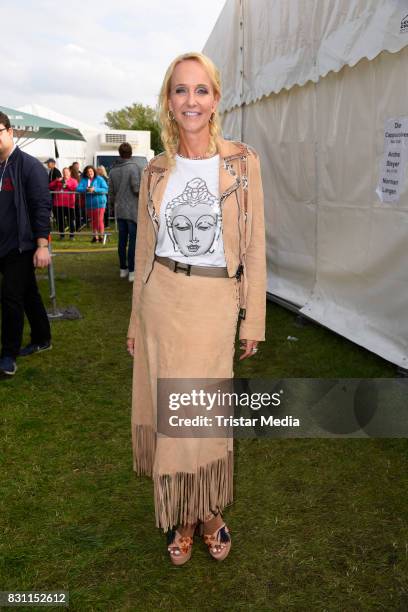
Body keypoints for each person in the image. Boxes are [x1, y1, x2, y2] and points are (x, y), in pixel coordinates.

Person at [126, 52, 266, 564]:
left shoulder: (241, 162)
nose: (191, 100)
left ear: (216, 98)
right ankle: (185, 517)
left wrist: (254, 317)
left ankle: (207, 509)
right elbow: (144, 251)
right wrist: (135, 319)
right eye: (181, 90)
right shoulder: (156, 170)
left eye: (201, 90)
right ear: (169, 100)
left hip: (213, 304)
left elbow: (253, 247)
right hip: (161, 300)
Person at [0, 111, 52, 376]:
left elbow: (41, 207)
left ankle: (8, 356)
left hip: (20, 246)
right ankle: (43, 337)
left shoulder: (29, 166)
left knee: (10, 297)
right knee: (27, 292)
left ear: (10, 132)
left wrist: (42, 245)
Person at [108, 143, 140, 282]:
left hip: (120, 210)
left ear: (119, 153)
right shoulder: (134, 167)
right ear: (131, 153)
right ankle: (132, 271)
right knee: (133, 241)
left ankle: (123, 269)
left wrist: (111, 206)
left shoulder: (112, 170)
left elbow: (111, 193)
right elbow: (136, 188)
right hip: (132, 210)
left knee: (122, 241)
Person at [76, 165, 108, 243]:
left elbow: (105, 188)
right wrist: (85, 189)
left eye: (91, 171)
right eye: (88, 172)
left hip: (100, 203)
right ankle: (95, 237)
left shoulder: (99, 179)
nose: (90, 173)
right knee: (93, 221)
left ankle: (102, 236)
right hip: (89, 204)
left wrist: (95, 189)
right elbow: (78, 188)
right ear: (86, 173)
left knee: (99, 220)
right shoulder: (84, 180)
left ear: (94, 171)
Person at [49, 167, 78, 240]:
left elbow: (75, 188)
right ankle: (62, 235)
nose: (65, 174)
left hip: (69, 204)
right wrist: (56, 181)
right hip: (58, 204)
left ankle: (72, 236)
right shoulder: (59, 180)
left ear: (70, 172)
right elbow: (50, 186)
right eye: (64, 172)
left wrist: (66, 184)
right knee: (60, 220)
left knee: (70, 220)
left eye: (67, 172)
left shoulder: (73, 181)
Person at [96, 165, 111, 229]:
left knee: (105, 210)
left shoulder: (104, 178)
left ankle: (106, 224)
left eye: (99, 170)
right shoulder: (98, 178)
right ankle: (102, 223)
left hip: (104, 196)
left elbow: (106, 188)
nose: (97, 171)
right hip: (100, 196)